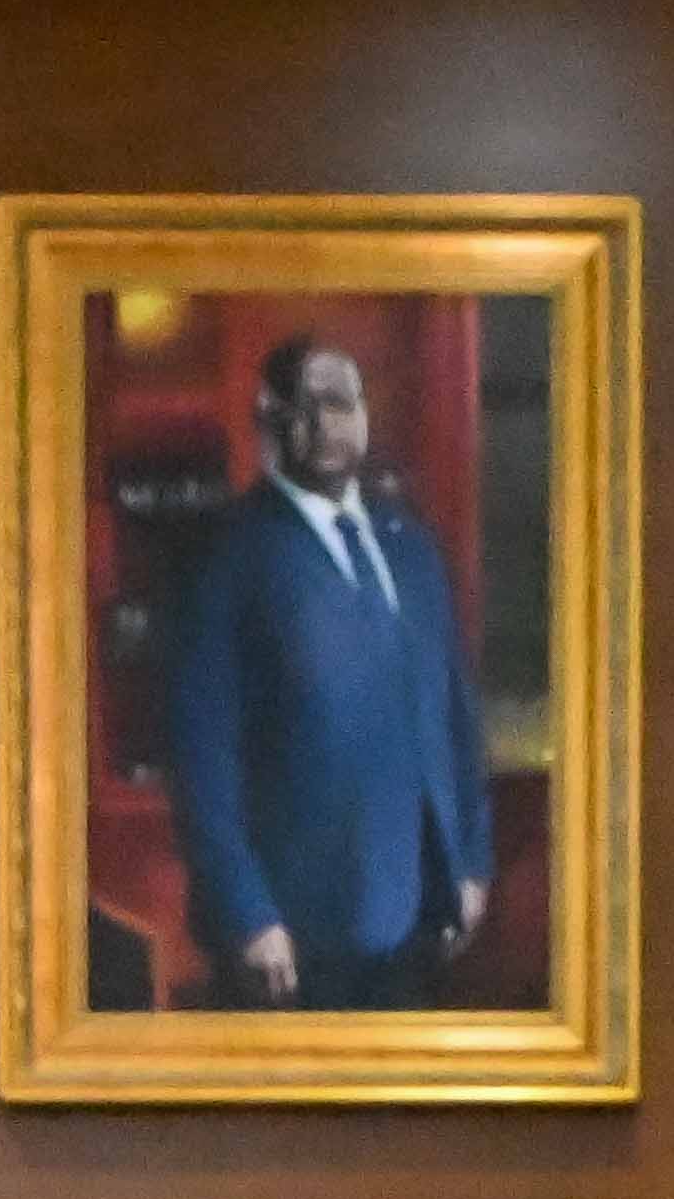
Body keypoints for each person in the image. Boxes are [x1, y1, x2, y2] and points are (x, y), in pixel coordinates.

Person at [156, 333, 503, 1012]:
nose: (326, 422)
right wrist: (249, 914)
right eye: (305, 404)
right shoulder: (227, 555)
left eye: (342, 402)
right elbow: (202, 757)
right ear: (273, 419)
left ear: (365, 414)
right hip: (292, 938)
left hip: (418, 916)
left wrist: (471, 862)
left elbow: (455, 717)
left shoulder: (408, 544)